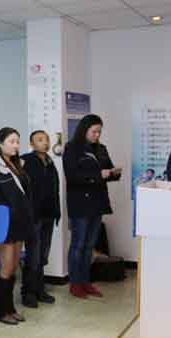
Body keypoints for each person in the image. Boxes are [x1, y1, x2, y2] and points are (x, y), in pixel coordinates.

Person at [64, 114, 121, 299]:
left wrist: (113, 173)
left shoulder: (101, 148)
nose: (97, 135)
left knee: (89, 246)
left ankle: (85, 281)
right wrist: (98, 175)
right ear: (84, 130)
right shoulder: (72, 148)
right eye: (94, 131)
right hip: (80, 202)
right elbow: (72, 176)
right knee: (78, 244)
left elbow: (107, 170)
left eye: (99, 132)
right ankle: (75, 283)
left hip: (98, 201)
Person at [0, 127, 33, 325]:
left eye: (17, 141)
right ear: (0, 144)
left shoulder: (17, 163)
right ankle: (0, 311)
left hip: (20, 222)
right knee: (6, 266)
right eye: (11, 141)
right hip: (5, 222)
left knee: (13, 268)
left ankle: (10, 308)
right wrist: (8, 209)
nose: (16, 145)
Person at [19, 131, 60, 308]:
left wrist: (57, 211)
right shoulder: (25, 161)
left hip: (49, 214)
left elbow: (55, 188)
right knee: (33, 256)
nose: (45, 142)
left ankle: (40, 290)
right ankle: (28, 293)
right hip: (33, 216)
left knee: (43, 255)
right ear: (31, 144)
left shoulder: (50, 162)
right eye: (40, 140)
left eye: (46, 139)